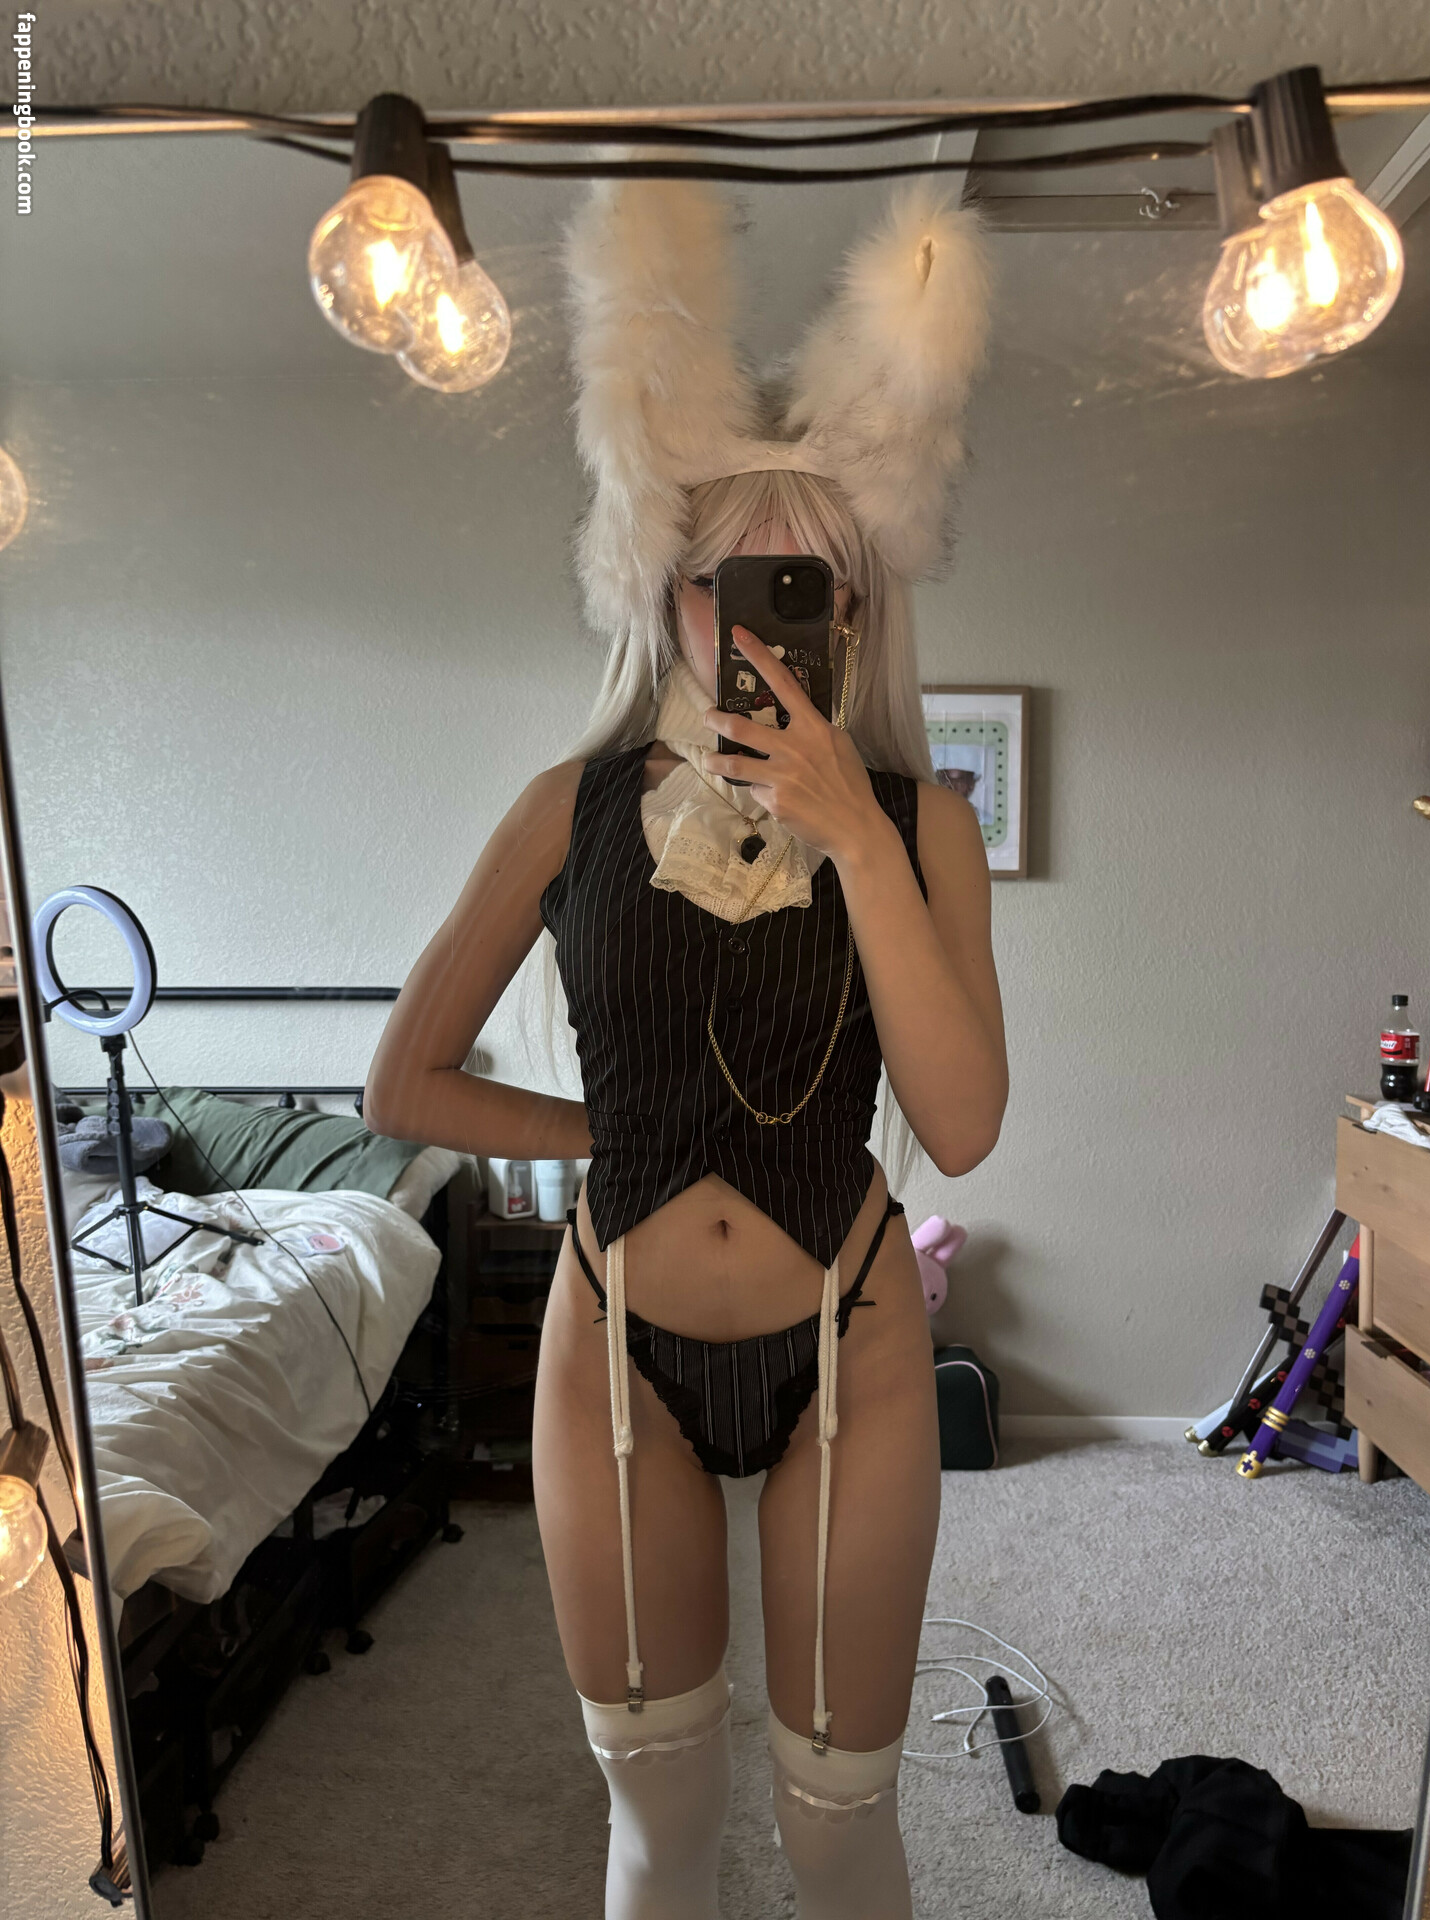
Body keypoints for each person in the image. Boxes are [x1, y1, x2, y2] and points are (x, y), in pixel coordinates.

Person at [366, 180, 1007, 1920]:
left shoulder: (921, 824)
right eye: (734, 586)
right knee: (658, 1824)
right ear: (666, 592)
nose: (770, 630)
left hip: (852, 1341)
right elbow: (403, 1087)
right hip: (615, 1353)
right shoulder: (567, 811)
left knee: (837, 1821)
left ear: (855, 618)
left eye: (816, 593)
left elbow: (959, 1124)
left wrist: (854, 834)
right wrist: (624, 1134)